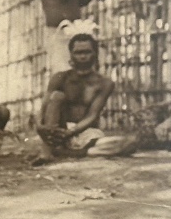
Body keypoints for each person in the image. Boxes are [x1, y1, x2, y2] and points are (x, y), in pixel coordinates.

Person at [34, 20, 139, 164]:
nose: (82, 56)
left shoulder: (104, 83)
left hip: (86, 132)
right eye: (78, 53)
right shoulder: (59, 78)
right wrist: (40, 125)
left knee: (130, 143)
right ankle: (48, 152)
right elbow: (45, 106)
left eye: (87, 52)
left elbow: (92, 115)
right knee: (57, 96)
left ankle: (73, 153)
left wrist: (71, 132)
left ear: (95, 54)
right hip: (57, 130)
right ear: (71, 55)